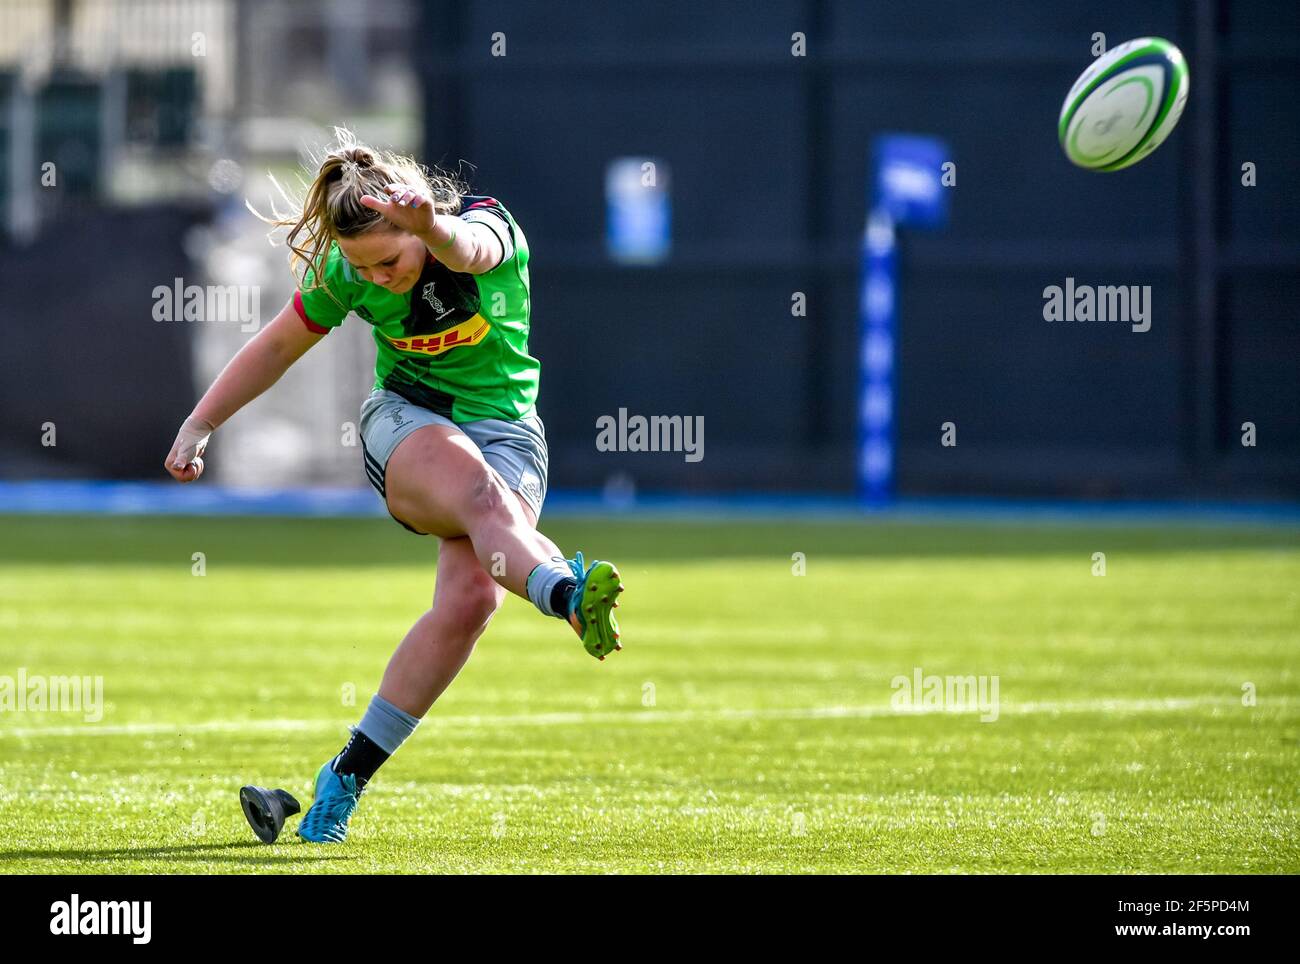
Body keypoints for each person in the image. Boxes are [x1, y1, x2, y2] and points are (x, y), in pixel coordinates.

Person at [164, 129, 624, 844]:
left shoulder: (485, 224)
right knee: (477, 497)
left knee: (470, 601)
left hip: (507, 433)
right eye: (361, 268)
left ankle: (341, 779)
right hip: (407, 424)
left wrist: (431, 228)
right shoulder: (351, 273)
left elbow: (468, 251)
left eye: (388, 260)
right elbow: (279, 345)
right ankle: (567, 591)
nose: (376, 278)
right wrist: (200, 422)